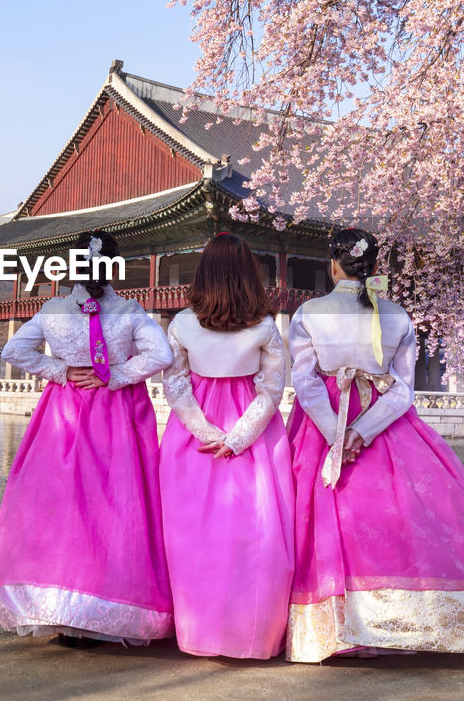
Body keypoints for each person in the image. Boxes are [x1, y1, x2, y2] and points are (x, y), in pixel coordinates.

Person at [285, 228, 464, 663]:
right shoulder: (397, 316)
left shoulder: (309, 312)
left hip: (323, 423)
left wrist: (336, 432)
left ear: (333, 264)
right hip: (385, 423)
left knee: (326, 516)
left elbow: (306, 381)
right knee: (405, 516)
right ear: (373, 267)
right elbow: (403, 390)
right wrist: (362, 431)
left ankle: (333, 628)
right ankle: (407, 622)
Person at [0, 231, 175, 645]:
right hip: (114, 413)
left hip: (65, 412)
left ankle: (57, 607)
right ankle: (108, 608)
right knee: (113, 506)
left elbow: (13, 352)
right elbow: (162, 355)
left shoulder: (53, 309)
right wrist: (115, 375)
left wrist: (62, 372)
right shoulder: (129, 311)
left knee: (61, 506)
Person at [159, 232, 294, 659]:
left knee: (191, 533)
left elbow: (175, 385)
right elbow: (272, 391)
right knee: (255, 533)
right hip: (254, 435)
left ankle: (196, 629)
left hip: (193, 433)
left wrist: (207, 432)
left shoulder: (181, 323)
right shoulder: (265, 327)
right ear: (249, 276)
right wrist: (238, 437)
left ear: (203, 273)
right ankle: (253, 634)